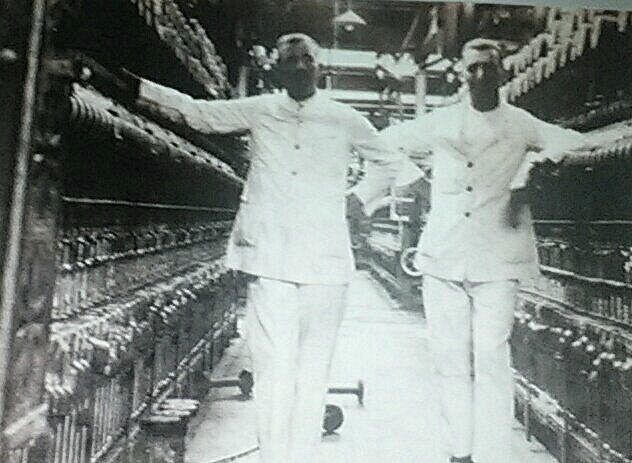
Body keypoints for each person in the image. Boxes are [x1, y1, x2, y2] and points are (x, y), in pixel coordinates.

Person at [127, 33, 403, 463]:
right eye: (291, 60)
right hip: (270, 256)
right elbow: (199, 114)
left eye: (307, 59)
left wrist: (360, 198)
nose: (300, 67)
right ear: (277, 68)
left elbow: (389, 161)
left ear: (319, 67)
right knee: (272, 370)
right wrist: (137, 87)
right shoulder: (261, 109)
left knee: (314, 371)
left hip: (326, 261)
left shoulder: (343, 117)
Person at [379, 38, 591, 463]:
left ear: (502, 72)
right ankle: (459, 453)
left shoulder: (520, 123)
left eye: (488, 68)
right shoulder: (441, 121)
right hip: (443, 253)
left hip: (498, 255)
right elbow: (381, 141)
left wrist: (534, 165)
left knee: (492, 357)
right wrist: (413, 180)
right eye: (473, 68)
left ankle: (493, 455)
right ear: (462, 73)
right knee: (449, 359)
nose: (480, 76)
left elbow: (573, 141)